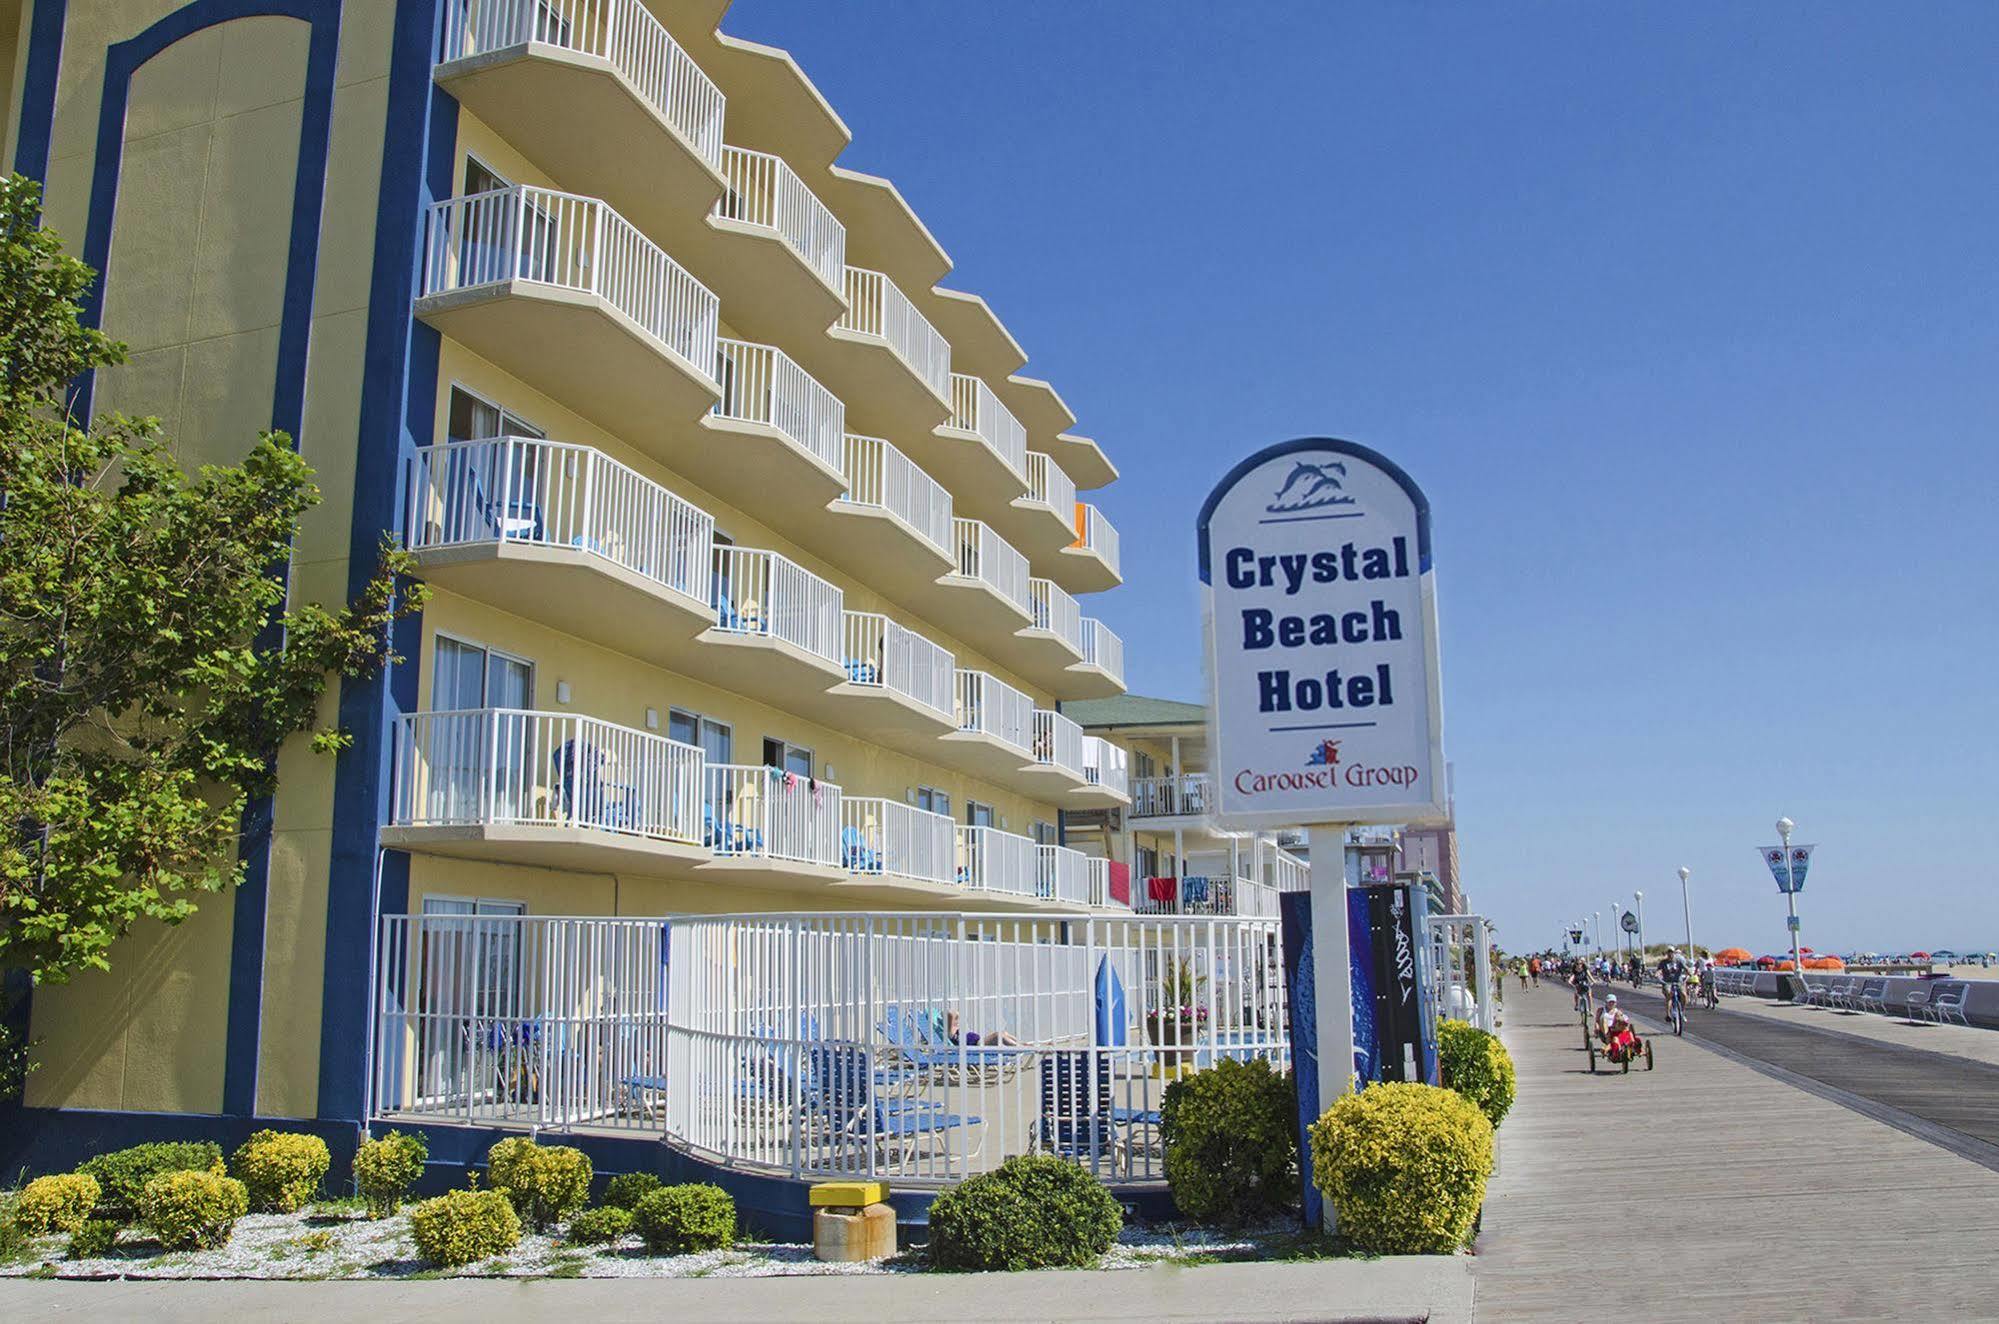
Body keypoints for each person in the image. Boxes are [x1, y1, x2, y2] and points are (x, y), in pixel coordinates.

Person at [1597, 993, 1643, 1063]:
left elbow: (1623, 1019)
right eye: (1610, 1002)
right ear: (1606, 1002)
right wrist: (1597, 1028)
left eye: (1613, 1002)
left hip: (1618, 1028)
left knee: (1632, 1037)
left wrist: (1621, 1022)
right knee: (1604, 1019)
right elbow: (1597, 1021)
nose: (1611, 1003)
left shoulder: (1618, 1012)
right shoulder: (1602, 1010)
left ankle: (1635, 1048)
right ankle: (1615, 1054)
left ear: (1615, 1003)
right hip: (1608, 1029)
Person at [945, 1010, 1020, 1048]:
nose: (958, 1021)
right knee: (998, 1035)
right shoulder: (951, 1033)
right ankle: (1018, 1047)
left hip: (979, 1042)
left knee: (1003, 1033)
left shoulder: (957, 1030)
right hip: (976, 1046)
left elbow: (954, 1015)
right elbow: (951, 1014)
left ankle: (1021, 1044)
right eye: (956, 1019)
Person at [1657, 947, 1691, 1017]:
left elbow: (1686, 968)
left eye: (1671, 952)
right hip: (1668, 982)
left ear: (1674, 953)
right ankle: (1668, 1014)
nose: (1670, 954)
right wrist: (1657, 974)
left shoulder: (1679, 961)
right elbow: (1659, 970)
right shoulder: (1663, 962)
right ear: (1667, 953)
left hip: (1679, 981)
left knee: (1684, 994)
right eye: (1669, 952)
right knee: (1669, 994)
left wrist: (1689, 973)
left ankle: (1682, 1011)